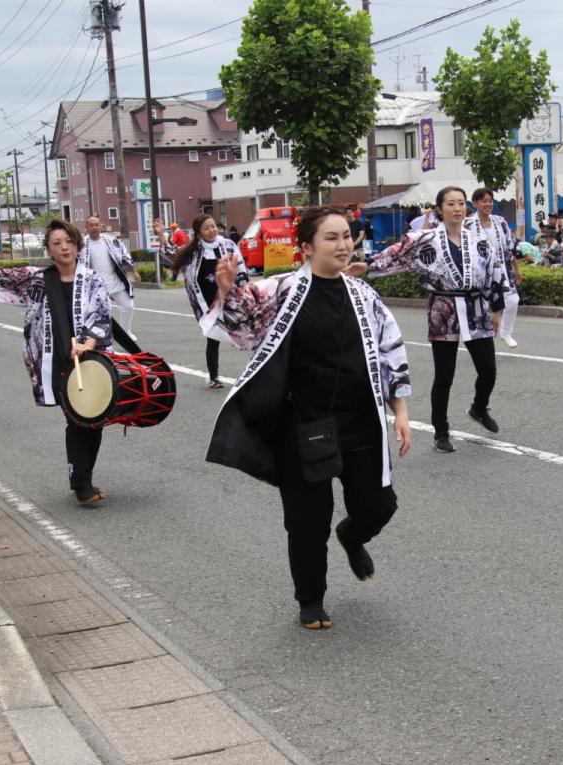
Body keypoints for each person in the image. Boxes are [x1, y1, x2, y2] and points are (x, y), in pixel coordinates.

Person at [203, 206, 411, 630]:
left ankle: (352, 535)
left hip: (361, 420)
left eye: (347, 235)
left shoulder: (363, 294)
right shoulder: (281, 289)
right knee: (308, 520)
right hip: (304, 424)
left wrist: (401, 410)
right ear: (306, 248)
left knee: (379, 505)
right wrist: (227, 289)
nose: (343, 244)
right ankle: (310, 599)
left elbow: (391, 348)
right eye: (331, 238)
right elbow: (240, 324)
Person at [0, 220, 114, 506]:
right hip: (57, 360)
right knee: (77, 419)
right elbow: (0, 276)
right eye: (56, 243)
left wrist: (88, 344)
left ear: (76, 245)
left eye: (68, 241)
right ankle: (81, 483)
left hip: (90, 358)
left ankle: (84, 477)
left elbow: (101, 316)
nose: (64, 247)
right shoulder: (38, 279)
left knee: (94, 420)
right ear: (49, 250)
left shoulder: (92, 279)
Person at [361, 186, 504, 453]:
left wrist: (497, 309)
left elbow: (496, 269)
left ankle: (479, 407)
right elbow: (397, 253)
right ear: (440, 209)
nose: (457, 208)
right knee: (444, 375)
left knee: (488, 369)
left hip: (476, 306)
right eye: (451, 204)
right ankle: (441, 431)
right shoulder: (426, 238)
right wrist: (368, 266)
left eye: (461, 203)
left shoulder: (479, 238)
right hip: (444, 305)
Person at [166, 214, 247, 389]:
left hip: (228, 295)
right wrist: (160, 236)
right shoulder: (193, 250)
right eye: (206, 228)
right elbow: (170, 255)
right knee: (213, 338)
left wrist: (243, 284)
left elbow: (239, 263)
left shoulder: (227, 245)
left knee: (247, 330)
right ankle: (214, 377)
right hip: (205, 299)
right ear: (198, 232)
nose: (212, 231)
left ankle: (258, 371)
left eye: (213, 226)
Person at [471, 188, 523, 348]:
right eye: (484, 201)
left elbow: (511, 245)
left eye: (490, 201)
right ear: (475, 203)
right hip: (481, 273)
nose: (488, 204)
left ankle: (506, 332)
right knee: (482, 306)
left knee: (513, 300)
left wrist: (516, 269)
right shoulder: (468, 224)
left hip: (502, 270)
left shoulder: (500, 221)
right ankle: (481, 338)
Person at [82, 216, 138, 338]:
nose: (94, 227)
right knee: (100, 312)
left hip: (114, 280)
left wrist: (133, 271)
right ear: (86, 227)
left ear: (100, 226)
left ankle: (125, 332)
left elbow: (124, 255)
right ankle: (102, 336)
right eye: (91, 225)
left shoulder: (110, 240)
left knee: (128, 306)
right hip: (95, 285)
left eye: (97, 224)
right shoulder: (81, 244)